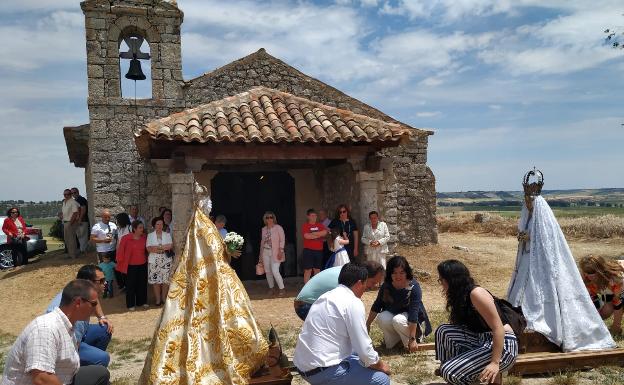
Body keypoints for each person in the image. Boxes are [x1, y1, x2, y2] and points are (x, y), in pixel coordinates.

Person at [138, 183, 268, 385]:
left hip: (192, 282)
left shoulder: (193, 226)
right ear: (205, 205)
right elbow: (215, 256)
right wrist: (228, 252)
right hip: (214, 280)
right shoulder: (207, 227)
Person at [507, 169, 615, 351]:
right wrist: (523, 237)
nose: (528, 202)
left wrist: (530, 237)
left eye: (530, 199)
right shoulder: (528, 216)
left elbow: (547, 240)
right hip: (526, 263)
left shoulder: (544, 216)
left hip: (541, 266)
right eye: (526, 199)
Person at [293, 263, 391, 385]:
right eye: (367, 285)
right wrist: (381, 366)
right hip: (322, 372)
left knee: (356, 355)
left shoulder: (325, 296)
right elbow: (365, 350)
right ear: (360, 283)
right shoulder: (353, 302)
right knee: (382, 380)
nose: (366, 288)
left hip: (303, 367)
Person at [2, 280, 110, 385]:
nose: (95, 307)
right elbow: (42, 379)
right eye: (93, 303)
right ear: (78, 303)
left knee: (100, 373)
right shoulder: (45, 328)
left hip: (61, 378)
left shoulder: (68, 325)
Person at [435, 260, 518, 385]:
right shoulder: (460, 296)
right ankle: (458, 373)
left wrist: (495, 363)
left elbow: (498, 328)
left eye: (441, 280)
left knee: (449, 371)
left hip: (503, 345)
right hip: (482, 340)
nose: (441, 283)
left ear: (451, 280)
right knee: (444, 330)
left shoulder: (476, 294)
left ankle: (455, 373)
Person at [45, 264, 113, 368]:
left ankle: (90, 367)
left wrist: (101, 317)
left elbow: (94, 299)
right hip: (65, 345)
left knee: (104, 329)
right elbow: (64, 344)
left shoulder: (83, 292)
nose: (105, 283)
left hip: (78, 336)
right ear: (88, 283)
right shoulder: (71, 304)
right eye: (101, 281)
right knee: (102, 358)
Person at [366, 255, 431, 352]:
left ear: (407, 273)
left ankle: (414, 340)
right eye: (394, 273)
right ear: (390, 274)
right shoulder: (386, 286)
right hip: (394, 314)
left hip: (411, 320)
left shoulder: (414, 287)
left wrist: (412, 338)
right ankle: (395, 342)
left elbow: (413, 314)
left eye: (401, 273)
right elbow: (377, 305)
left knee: (398, 320)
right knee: (382, 317)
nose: (398, 276)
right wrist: (367, 324)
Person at [294, 260, 385, 321]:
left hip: (307, 304)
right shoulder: (349, 278)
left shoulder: (350, 272)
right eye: (373, 282)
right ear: (366, 276)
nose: (373, 287)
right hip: (305, 306)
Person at [579, 255, 624, 334]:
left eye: (591, 272)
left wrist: (616, 326)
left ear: (600, 270)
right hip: (607, 286)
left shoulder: (615, 279)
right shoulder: (586, 279)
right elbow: (592, 303)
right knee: (606, 305)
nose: (588, 275)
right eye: (585, 271)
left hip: (619, 283)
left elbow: (618, 304)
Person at [116, 220, 148, 311]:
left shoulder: (144, 238)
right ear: (134, 229)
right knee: (130, 285)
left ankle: (141, 302)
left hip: (142, 264)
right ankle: (130, 304)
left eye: (142, 227)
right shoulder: (126, 238)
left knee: (142, 283)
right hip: (130, 265)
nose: (142, 229)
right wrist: (119, 262)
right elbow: (120, 250)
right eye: (140, 227)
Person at [146, 217, 173, 306]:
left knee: (165, 280)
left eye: (161, 224)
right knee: (156, 281)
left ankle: (164, 298)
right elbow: (149, 248)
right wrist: (162, 248)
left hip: (166, 260)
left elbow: (169, 246)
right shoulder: (150, 235)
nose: (160, 226)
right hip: (154, 261)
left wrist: (157, 248)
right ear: (154, 225)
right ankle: (158, 299)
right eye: (158, 224)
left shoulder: (167, 234)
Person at [259, 211, 286, 296]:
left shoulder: (278, 228)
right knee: (268, 271)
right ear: (265, 219)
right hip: (265, 251)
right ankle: (271, 288)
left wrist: (281, 250)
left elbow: (282, 240)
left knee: (275, 271)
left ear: (274, 218)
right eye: (267, 217)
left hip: (275, 251)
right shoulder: (263, 229)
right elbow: (262, 242)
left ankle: (282, 288)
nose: (269, 219)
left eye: (271, 217)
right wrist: (260, 256)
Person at [302, 209, 328, 283]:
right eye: (312, 216)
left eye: (315, 215)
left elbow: (325, 233)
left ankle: (316, 287)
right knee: (308, 270)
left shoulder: (320, 225)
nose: (314, 217)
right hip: (308, 250)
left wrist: (312, 233)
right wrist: (318, 234)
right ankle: (306, 288)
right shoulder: (305, 225)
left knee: (317, 270)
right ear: (308, 217)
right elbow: (306, 236)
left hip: (318, 250)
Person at [62, 188, 81, 259]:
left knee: (71, 239)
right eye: (64, 194)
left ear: (70, 194)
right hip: (66, 222)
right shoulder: (64, 202)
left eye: (68, 194)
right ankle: (70, 254)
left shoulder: (73, 202)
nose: (66, 196)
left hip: (70, 222)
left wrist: (71, 223)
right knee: (67, 239)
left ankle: (73, 255)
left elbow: (75, 213)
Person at [114, 212, 131, 291]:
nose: (116, 222)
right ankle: (124, 285)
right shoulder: (119, 229)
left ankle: (128, 285)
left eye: (117, 220)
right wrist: (117, 252)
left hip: (128, 252)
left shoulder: (130, 228)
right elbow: (118, 241)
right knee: (120, 269)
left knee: (128, 270)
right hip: (121, 252)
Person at [72, 187, 90, 255]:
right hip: (79, 221)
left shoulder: (81, 199)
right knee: (80, 236)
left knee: (83, 236)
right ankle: (82, 250)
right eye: (72, 193)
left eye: (75, 192)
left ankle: (84, 250)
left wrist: (80, 219)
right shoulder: (76, 200)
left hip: (83, 220)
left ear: (78, 192)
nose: (73, 194)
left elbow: (83, 209)